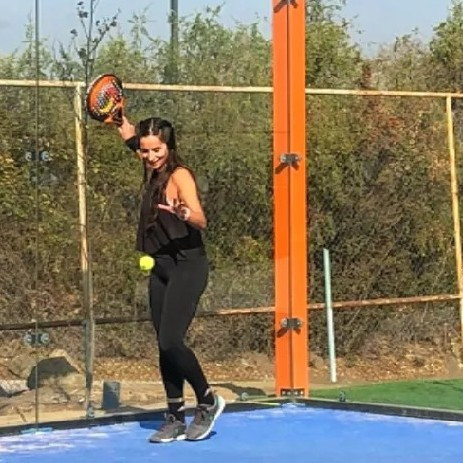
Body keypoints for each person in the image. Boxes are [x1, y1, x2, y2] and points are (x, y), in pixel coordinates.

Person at [117, 115, 225, 443]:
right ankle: (175, 417)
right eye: (145, 150)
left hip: (187, 266)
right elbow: (130, 135)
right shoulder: (149, 161)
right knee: (163, 345)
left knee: (170, 341)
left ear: (169, 146)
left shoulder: (180, 175)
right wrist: (117, 118)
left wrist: (184, 213)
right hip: (161, 267)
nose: (150, 156)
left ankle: (208, 400)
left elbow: (202, 219)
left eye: (157, 150)